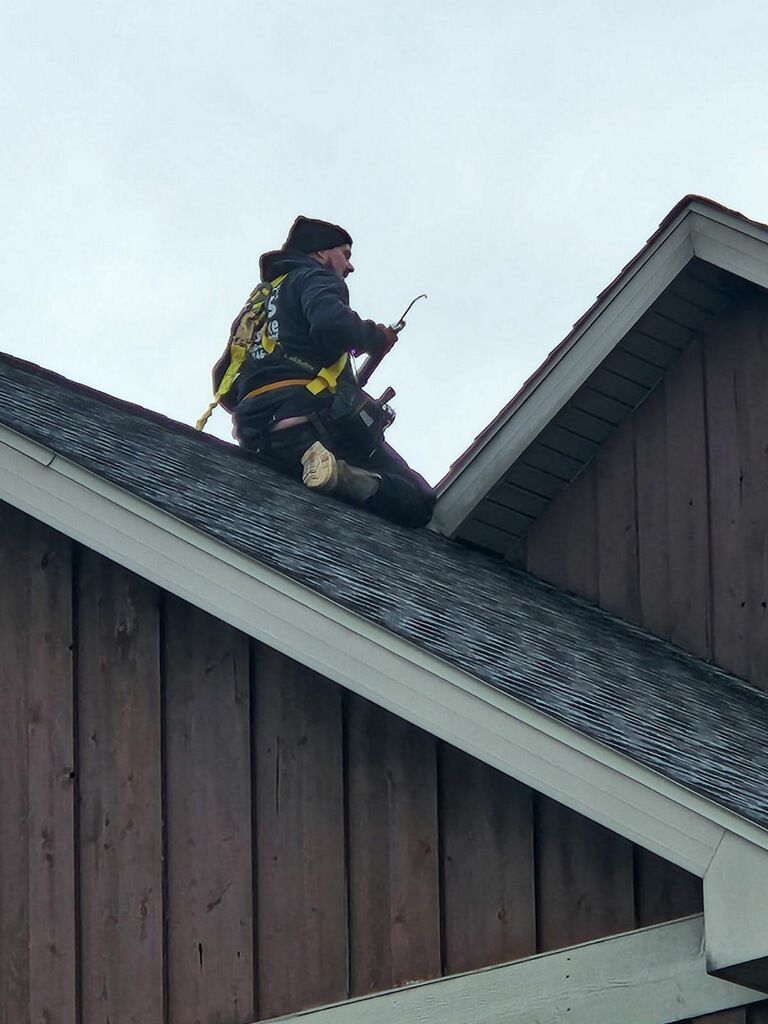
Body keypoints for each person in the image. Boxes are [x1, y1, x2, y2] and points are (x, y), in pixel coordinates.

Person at [229, 216, 435, 528]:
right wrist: (376, 337)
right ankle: (342, 475)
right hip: (308, 428)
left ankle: (328, 473)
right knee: (418, 499)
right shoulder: (314, 277)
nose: (350, 268)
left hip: (256, 437)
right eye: (346, 254)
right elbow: (331, 323)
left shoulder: (257, 304)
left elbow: (225, 382)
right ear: (321, 254)